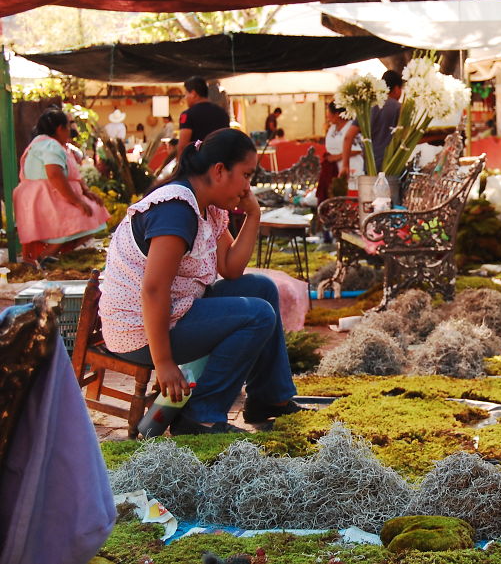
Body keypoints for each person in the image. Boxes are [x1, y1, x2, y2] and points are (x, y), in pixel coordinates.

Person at [98, 128, 304, 435]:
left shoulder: (207, 207)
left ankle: (269, 400)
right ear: (220, 170)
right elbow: (153, 289)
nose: (248, 186)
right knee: (257, 315)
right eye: (246, 175)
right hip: (139, 331)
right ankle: (200, 416)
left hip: (177, 310)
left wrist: (253, 215)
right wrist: (165, 362)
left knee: (262, 288)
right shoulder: (177, 210)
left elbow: (231, 268)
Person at [13, 107, 110, 268]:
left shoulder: (51, 145)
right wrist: (77, 201)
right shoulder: (50, 145)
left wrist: (85, 192)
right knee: (82, 214)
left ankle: (56, 255)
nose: (70, 131)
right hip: (45, 198)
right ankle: (45, 256)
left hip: (49, 195)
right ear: (60, 129)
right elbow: (55, 175)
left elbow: (72, 174)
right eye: (68, 126)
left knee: (94, 211)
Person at [341, 70, 402, 183]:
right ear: (397, 88)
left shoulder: (367, 106)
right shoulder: (398, 108)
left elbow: (348, 137)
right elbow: (405, 136)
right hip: (393, 169)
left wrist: (345, 165)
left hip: (370, 168)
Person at [321, 102, 363, 202]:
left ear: (336, 114)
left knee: (349, 193)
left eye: (328, 112)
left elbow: (358, 149)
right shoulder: (332, 128)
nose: (327, 116)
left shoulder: (351, 127)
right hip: (334, 168)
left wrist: (338, 156)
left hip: (352, 165)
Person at [178, 76, 230, 149]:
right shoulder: (222, 113)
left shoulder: (187, 115)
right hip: (220, 157)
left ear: (193, 94)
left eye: (186, 94)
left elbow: (183, 146)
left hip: (198, 158)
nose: (185, 98)